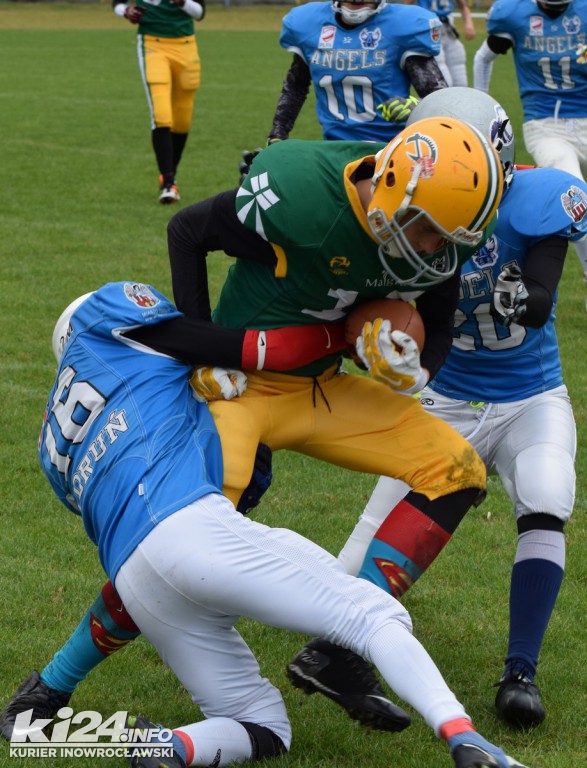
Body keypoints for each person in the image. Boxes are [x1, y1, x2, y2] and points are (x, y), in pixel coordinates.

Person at [0, 119, 505, 743]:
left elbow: (437, 324)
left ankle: (335, 653)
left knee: (455, 469)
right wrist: (202, 350)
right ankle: (52, 683)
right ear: (394, 186)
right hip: (242, 386)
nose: (432, 248)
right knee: (174, 537)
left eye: (446, 238)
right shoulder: (300, 188)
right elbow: (188, 229)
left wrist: (412, 368)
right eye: (425, 228)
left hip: (323, 386)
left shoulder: (443, 239)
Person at [14, 281, 530, 768]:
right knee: (372, 614)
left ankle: (167, 745)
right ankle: (466, 737)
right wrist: (341, 335)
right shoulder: (113, 316)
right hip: (192, 528)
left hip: (135, 577)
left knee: (265, 726)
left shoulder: (49, 449)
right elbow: (207, 340)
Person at [291, 87, 587, 731]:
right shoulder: (402, 210)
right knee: (363, 547)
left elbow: (540, 294)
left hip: (529, 393)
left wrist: (517, 297)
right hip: (441, 395)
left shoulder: (537, 199)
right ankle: (330, 648)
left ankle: (521, 670)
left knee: (547, 492)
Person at [473, 0, 587, 281]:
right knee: (575, 195)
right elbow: (482, 58)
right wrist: (480, 106)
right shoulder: (515, 15)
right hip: (546, 123)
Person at [264, 0, 447, 145]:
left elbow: (442, 99)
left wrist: (417, 107)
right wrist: (277, 136)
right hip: (335, 149)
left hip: (391, 149)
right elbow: (296, 86)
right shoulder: (310, 24)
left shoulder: (402, 26)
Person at [113, 0, 206, 204]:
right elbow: (117, 4)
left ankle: (168, 174)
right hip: (152, 44)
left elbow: (199, 12)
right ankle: (169, 184)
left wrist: (182, 2)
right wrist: (126, 12)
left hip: (185, 45)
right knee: (162, 115)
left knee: (182, 119)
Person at [404, 1, 476, 86]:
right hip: (429, 32)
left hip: (449, 31)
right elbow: (407, 6)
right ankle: (431, 98)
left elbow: (463, 6)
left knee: (461, 82)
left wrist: (469, 23)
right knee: (443, 81)